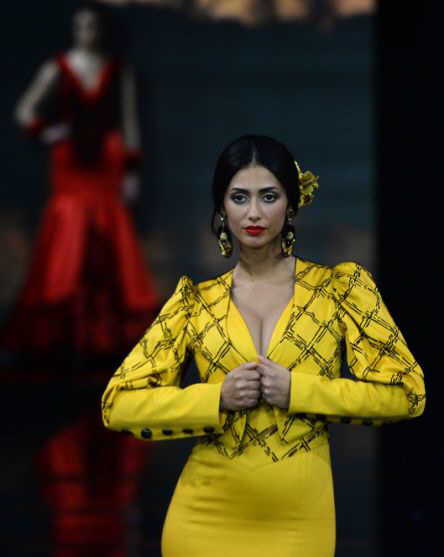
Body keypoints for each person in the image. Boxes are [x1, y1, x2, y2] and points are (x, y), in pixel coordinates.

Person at [101, 134, 426, 556]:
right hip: (202, 519)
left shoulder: (339, 290)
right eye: (239, 197)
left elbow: (407, 393)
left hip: (298, 523)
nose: (253, 212)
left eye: (268, 196)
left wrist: (299, 391)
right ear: (222, 208)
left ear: (291, 205)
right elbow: (117, 405)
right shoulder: (195, 302)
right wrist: (216, 398)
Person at [2, 2, 158, 357]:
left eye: (92, 25)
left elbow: (130, 123)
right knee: (68, 233)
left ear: (102, 29)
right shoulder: (57, 67)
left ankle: (102, 336)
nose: (87, 32)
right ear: (74, 29)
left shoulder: (118, 70)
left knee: (107, 234)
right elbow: (25, 110)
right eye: (81, 26)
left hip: (106, 161)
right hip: (71, 162)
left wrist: (132, 171)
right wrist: (46, 131)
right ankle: (64, 331)